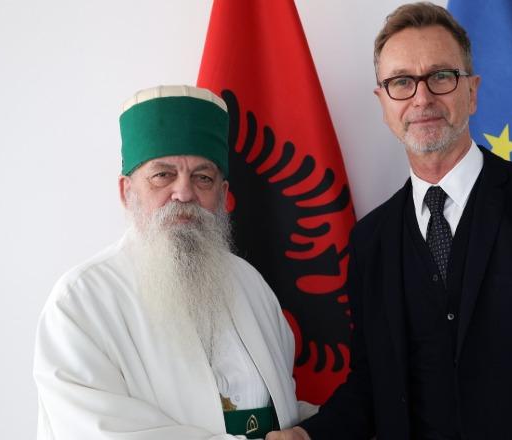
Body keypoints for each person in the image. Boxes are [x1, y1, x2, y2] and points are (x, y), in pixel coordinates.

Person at [267, 2, 512, 440]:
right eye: (401, 82)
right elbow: (372, 387)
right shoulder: (370, 242)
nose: (422, 98)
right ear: (383, 102)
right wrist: (309, 435)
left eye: (441, 76)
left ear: (472, 92)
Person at [34, 85, 314, 439]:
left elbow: (280, 411)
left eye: (203, 177)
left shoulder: (252, 285)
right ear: (126, 191)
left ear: (223, 195)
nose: (184, 193)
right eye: (162, 175)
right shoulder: (80, 302)